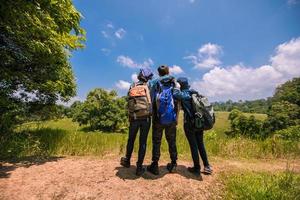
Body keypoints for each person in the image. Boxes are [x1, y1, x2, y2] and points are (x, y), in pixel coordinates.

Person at [173, 77, 212, 175]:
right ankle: (207, 166)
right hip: (199, 122)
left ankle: (196, 167)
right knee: (200, 144)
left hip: (190, 124)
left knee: (193, 145)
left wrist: (176, 86)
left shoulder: (184, 95)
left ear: (180, 85)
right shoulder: (194, 93)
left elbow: (175, 94)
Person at [120, 68, 153, 176]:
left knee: (131, 139)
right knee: (142, 142)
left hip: (134, 117)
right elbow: (151, 101)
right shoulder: (149, 87)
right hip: (146, 118)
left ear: (139, 75)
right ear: (148, 78)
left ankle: (127, 160)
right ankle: (139, 167)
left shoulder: (132, 86)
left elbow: (128, 101)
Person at [147, 65, 179, 175]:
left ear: (159, 73)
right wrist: (177, 117)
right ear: (168, 71)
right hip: (171, 118)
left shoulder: (154, 82)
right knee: (172, 141)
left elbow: (150, 99)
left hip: (158, 118)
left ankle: (155, 165)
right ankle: (174, 164)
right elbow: (177, 100)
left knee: (156, 141)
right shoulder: (174, 82)